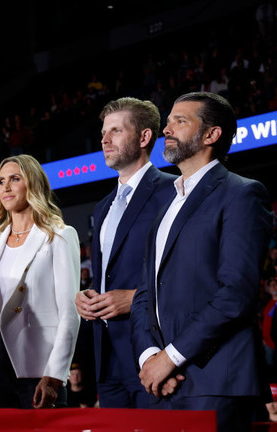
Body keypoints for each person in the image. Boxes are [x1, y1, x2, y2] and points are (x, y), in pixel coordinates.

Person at [131, 92, 272, 431]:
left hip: (217, 382)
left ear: (211, 135)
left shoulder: (242, 193)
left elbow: (236, 294)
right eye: (168, 121)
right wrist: (150, 357)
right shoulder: (167, 205)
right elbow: (144, 294)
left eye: (180, 121)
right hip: (163, 383)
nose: (167, 128)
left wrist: (170, 358)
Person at [75, 97, 176, 408]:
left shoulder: (174, 191)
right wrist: (86, 296)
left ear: (144, 137)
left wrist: (134, 297)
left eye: (116, 131)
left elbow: (186, 273)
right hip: (107, 358)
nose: (105, 139)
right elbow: (106, 276)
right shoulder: (103, 207)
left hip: (153, 352)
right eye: (104, 132)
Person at [0, 154, 80, 410]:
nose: (5, 187)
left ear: (33, 184)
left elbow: (69, 313)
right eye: (1, 181)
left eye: (14, 179)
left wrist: (54, 374)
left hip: (38, 366)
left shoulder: (60, 235)